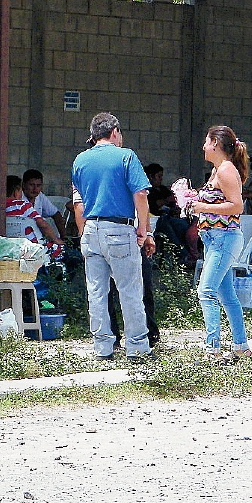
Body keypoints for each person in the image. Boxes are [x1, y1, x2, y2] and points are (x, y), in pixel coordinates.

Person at [71, 112, 155, 362]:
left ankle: (102, 348)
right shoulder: (126, 156)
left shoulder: (80, 161)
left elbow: (78, 204)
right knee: (129, 290)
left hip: (91, 229)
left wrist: (83, 232)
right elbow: (140, 195)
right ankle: (137, 347)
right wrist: (144, 229)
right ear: (115, 131)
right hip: (119, 229)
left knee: (96, 291)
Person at [193, 125, 252, 362]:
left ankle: (212, 349)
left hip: (224, 239)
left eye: (207, 142)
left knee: (206, 291)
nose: (204, 146)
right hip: (215, 239)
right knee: (227, 295)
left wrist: (203, 207)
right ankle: (241, 345)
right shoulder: (218, 170)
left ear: (216, 144)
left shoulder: (226, 170)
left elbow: (236, 206)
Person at [4, 175, 65, 262]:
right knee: (65, 251)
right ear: (16, 192)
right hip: (33, 248)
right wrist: (55, 239)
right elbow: (43, 225)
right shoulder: (23, 206)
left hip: (8, 248)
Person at [22, 169, 66, 238]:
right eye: (31, 185)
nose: (35, 189)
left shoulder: (40, 196)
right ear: (24, 185)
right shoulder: (18, 197)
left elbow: (56, 214)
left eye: (38, 185)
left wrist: (64, 238)